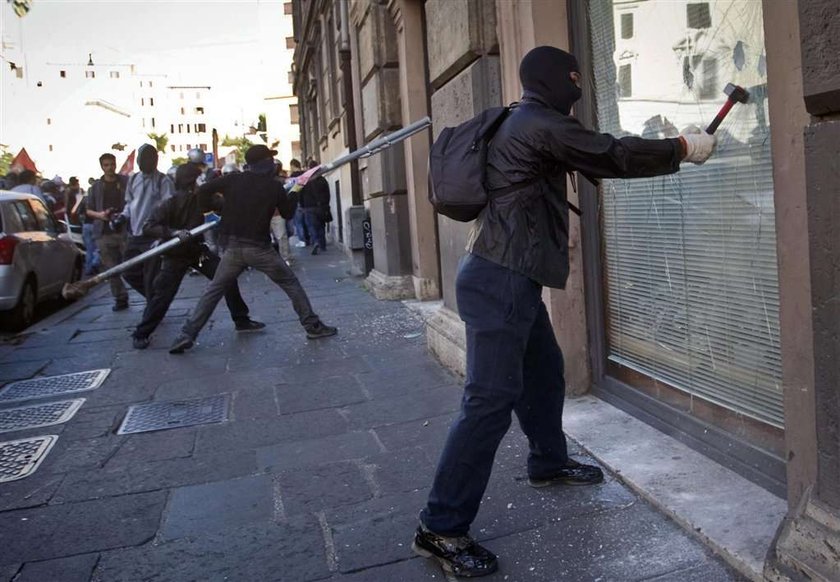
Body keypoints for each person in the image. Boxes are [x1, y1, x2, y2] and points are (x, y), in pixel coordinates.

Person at [412, 46, 717, 578]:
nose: (578, 86)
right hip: (501, 277)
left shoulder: (521, 118)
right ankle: (441, 526)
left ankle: (548, 461)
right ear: (555, 80)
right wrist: (683, 147)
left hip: (509, 275)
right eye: (573, 77)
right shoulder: (539, 123)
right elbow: (612, 153)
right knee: (488, 402)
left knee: (543, 371)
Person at [168, 145, 337, 354]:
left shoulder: (234, 179)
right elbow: (287, 213)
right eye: (270, 159)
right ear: (264, 163)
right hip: (259, 249)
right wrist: (295, 190)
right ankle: (312, 325)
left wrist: (211, 209)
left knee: (213, 291)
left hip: (232, 247)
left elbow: (203, 190)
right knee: (290, 283)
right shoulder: (274, 187)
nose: (274, 163)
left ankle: (187, 334)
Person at [131, 164, 264, 350]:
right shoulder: (169, 203)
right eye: (199, 178)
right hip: (175, 256)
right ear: (191, 181)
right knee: (163, 295)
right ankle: (141, 333)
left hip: (197, 252)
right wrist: (173, 232)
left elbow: (224, 205)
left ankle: (241, 319)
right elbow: (149, 227)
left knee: (226, 277)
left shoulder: (202, 198)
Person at [118, 143, 175, 299]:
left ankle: (153, 306)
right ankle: (155, 300)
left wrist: (163, 234)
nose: (147, 162)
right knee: (128, 272)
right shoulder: (133, 179)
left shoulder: (163, 181)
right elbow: (129, 204)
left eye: (151, 158)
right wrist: (122, 216)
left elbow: (169, 207)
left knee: (151, 276)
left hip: (152, 236)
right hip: (135, 236)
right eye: (144, 158)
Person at [86, 153, 129, 310]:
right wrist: (101, 215)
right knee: (111, 269)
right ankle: (120, 298)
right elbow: (88, 210)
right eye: (106, 165)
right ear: (102, 167)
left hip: (124, 230)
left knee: (132, 265)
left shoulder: (125, 182)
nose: (110, 168)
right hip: (104, 232)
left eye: (112, 164)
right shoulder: (96, 187)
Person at [298, 159, 330, 255]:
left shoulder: (304, 180)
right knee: (321, 225)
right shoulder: (322, 180)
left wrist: (301, 205)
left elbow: (300, 194)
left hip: (308, 207)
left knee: (311, 226)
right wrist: (326, 204)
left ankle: (315, 241)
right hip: (321, 206)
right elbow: (327, 194)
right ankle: (322, 245)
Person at [288, 159, 309, 247]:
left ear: (293, 165)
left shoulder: (293, 177)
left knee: (298, 222)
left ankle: (302, 240)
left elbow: (291, 189)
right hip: (305, 200)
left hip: (296, 201)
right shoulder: (304, 174)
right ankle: (308, 239)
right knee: (305, 221)